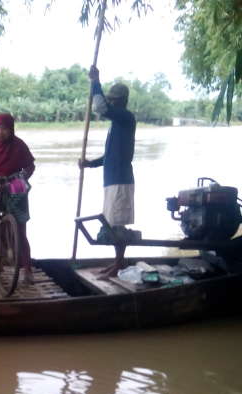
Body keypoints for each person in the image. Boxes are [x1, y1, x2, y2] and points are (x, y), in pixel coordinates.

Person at [79, 66, 136, 279]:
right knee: (112, 222)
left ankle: (118, 265)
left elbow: (101, 107)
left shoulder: (125, 118)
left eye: (114, 99)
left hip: (120, 180)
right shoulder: (116, 124)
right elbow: (108, 157)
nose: (111, 102)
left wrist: (96, 81)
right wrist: (89, 164)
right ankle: (117, 263)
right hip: (112, 181)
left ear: (121, 101)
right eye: (110, 99)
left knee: (117, 225)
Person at [0, 113, 36, 284]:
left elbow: (30, 166)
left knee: (21, 231)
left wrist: (23, 179)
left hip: (15, 188)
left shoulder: (19, 146)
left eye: (4, 129)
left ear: (11, 129)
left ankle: (28, 270)